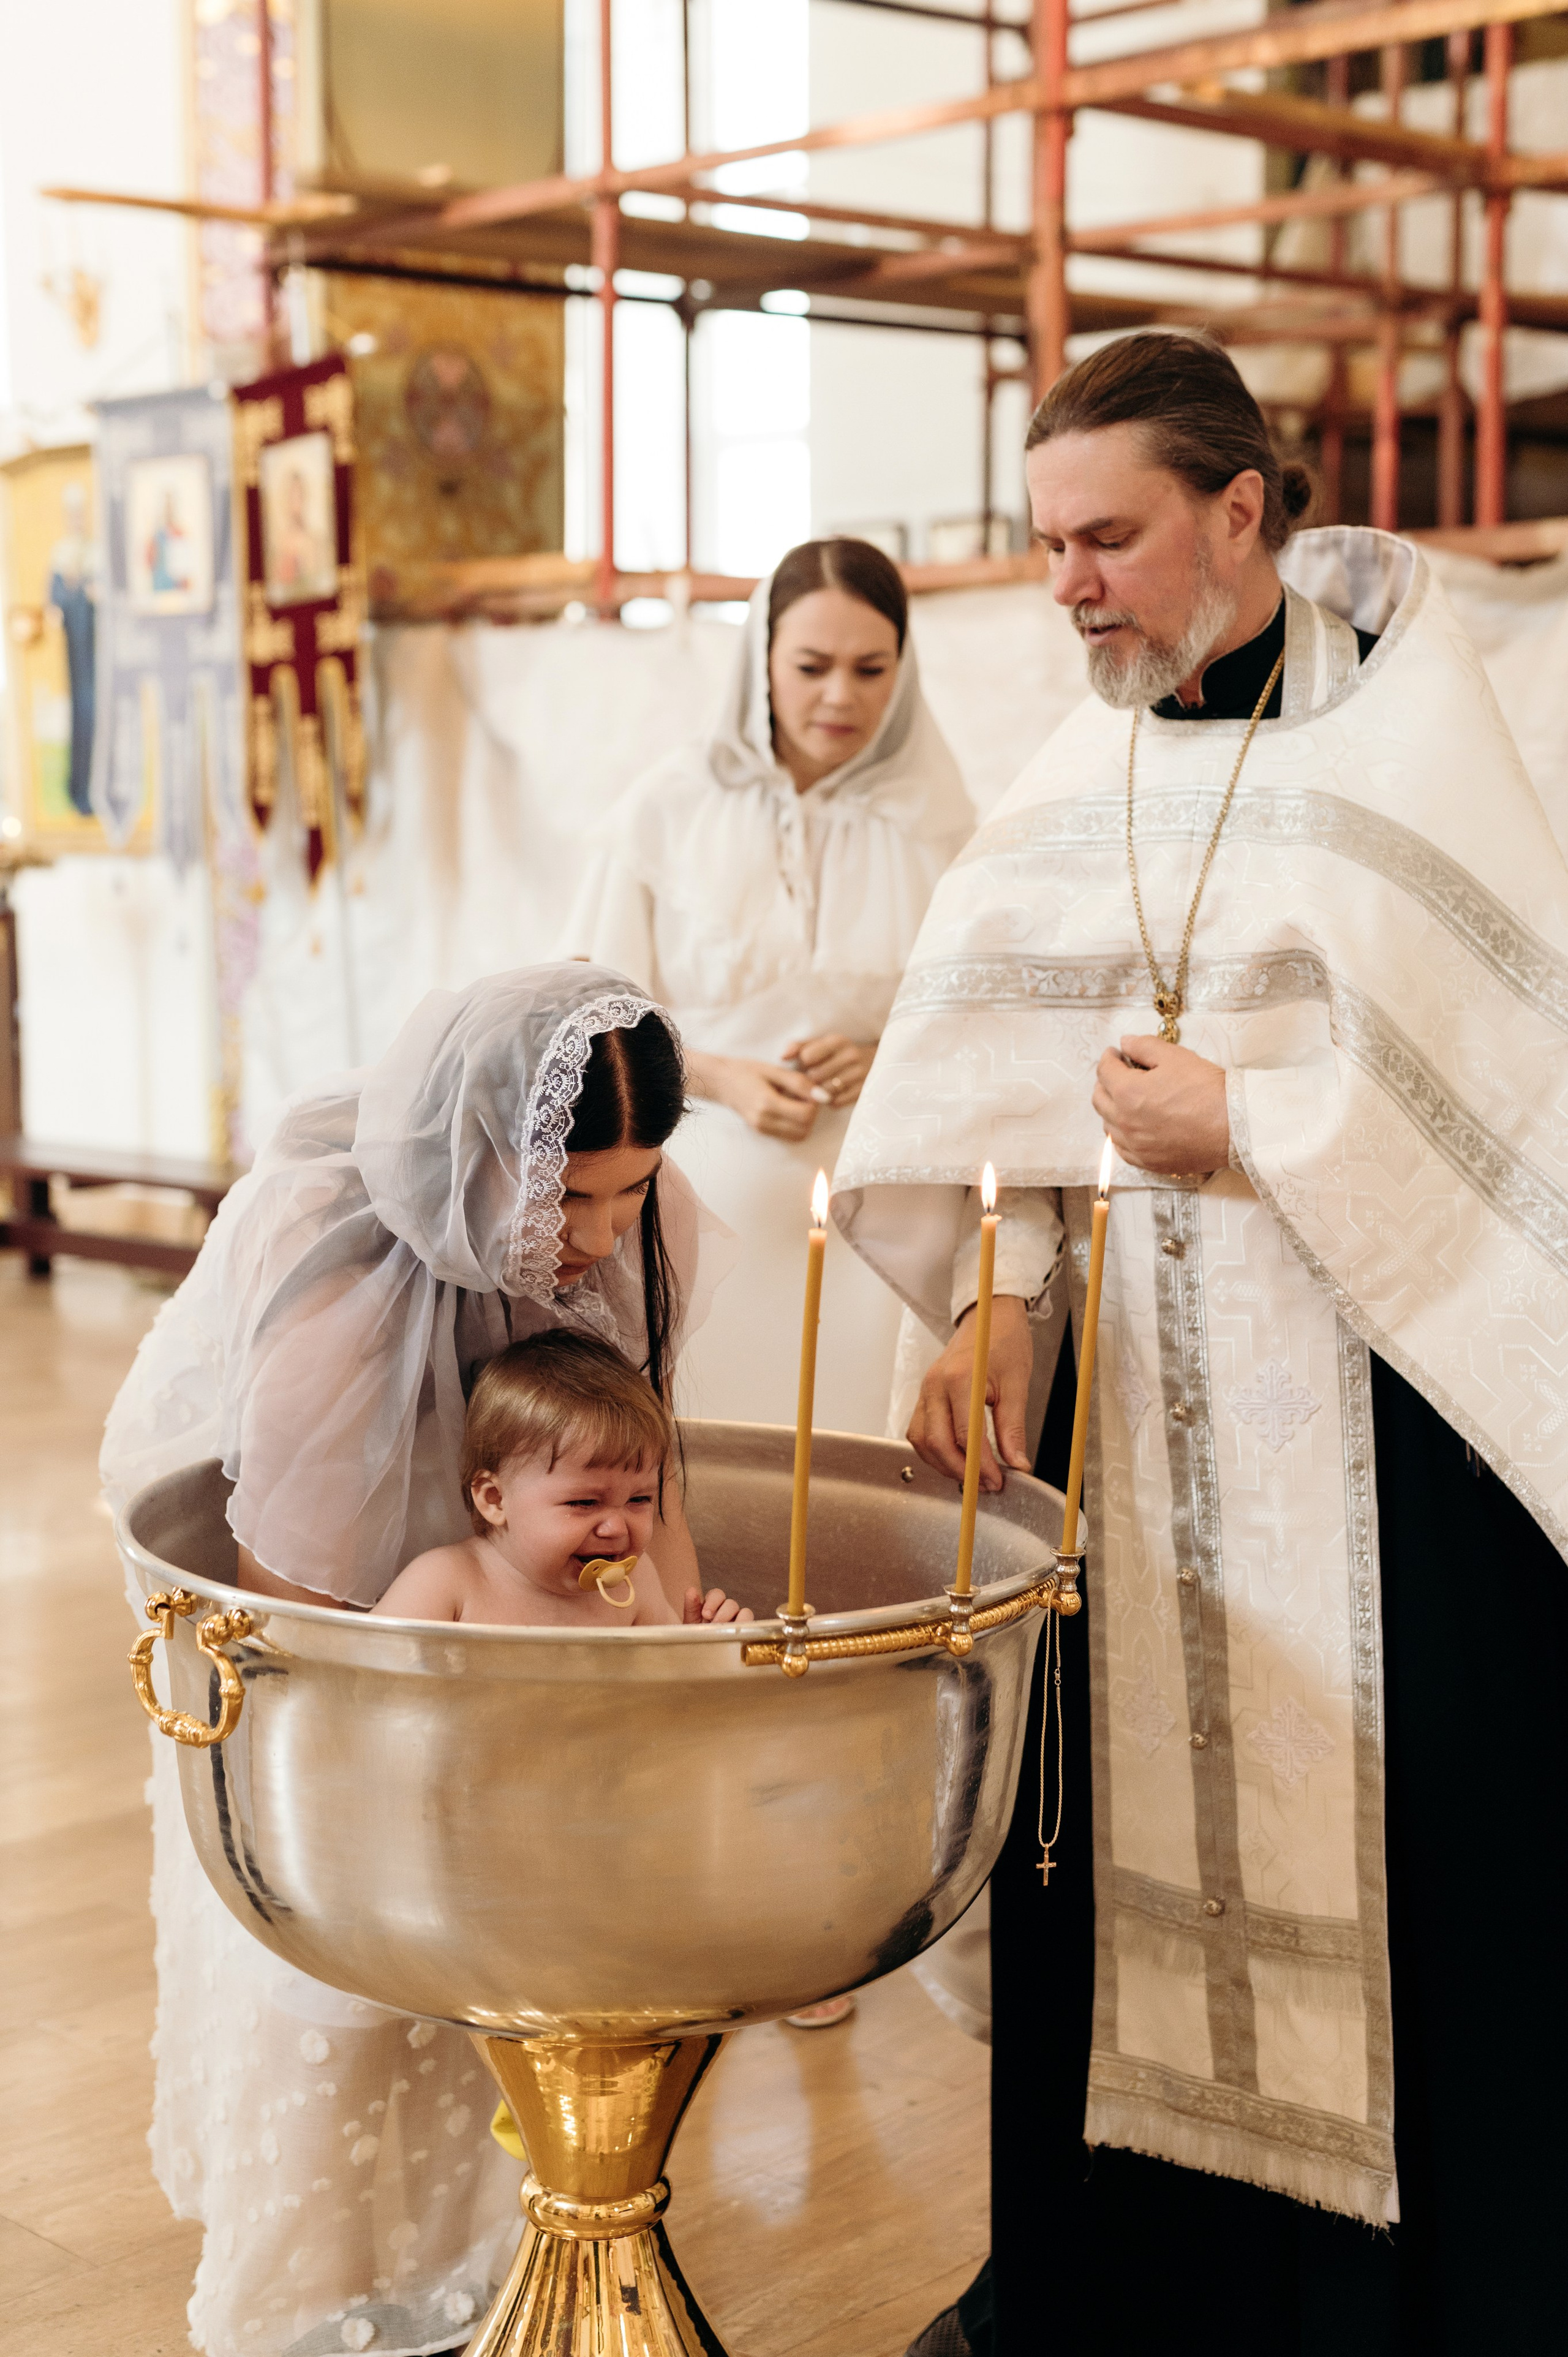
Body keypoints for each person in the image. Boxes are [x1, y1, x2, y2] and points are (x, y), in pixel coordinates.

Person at [832, 333, 1568, 2355]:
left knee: (1421, 1872)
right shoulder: (1084, 764)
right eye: (1046, 539)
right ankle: (1132, 2296)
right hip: (1134, 1452)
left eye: (1109, 536)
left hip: (1382, 1436)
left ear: (1242, 512)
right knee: (1111, 1860)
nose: (1065, 581)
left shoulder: (1417, 748)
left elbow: (1515, 1123)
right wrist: (1001, 1291)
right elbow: (988, 1088)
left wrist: (1243, 1125)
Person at [100, 965, 730, 2357]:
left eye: (630, 1192)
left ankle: (490, 2271)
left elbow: (643, 1462)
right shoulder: (339, 1296)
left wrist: (670, 1651)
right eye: (572, 1198)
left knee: (513, 1973)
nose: (603, 1236)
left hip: (532, 1627)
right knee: (349, 1995)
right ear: (488, 1154)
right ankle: (316, 2302)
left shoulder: (635, 1237)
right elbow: (300, 1629)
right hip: (359, 1665)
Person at [568, 535, 973, 1436]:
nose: (841, 695)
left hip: (886, 1219)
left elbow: (978, 1028)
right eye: (812, 665)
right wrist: (720, 1077)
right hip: (704, 1206)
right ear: (761, 664)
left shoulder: (941, 826)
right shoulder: (666, 811)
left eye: (871, 669)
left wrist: (886, 1056)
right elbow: (584, 1021)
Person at [372, 1329, 752, 1627]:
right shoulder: (447, 1583)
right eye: (584, 1502)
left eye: (640, 1500)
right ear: (494, 1499)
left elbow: (669, 1701)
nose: (616, 1528)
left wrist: (698, 1646)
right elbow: (360, 1685)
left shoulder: (636, 1586)